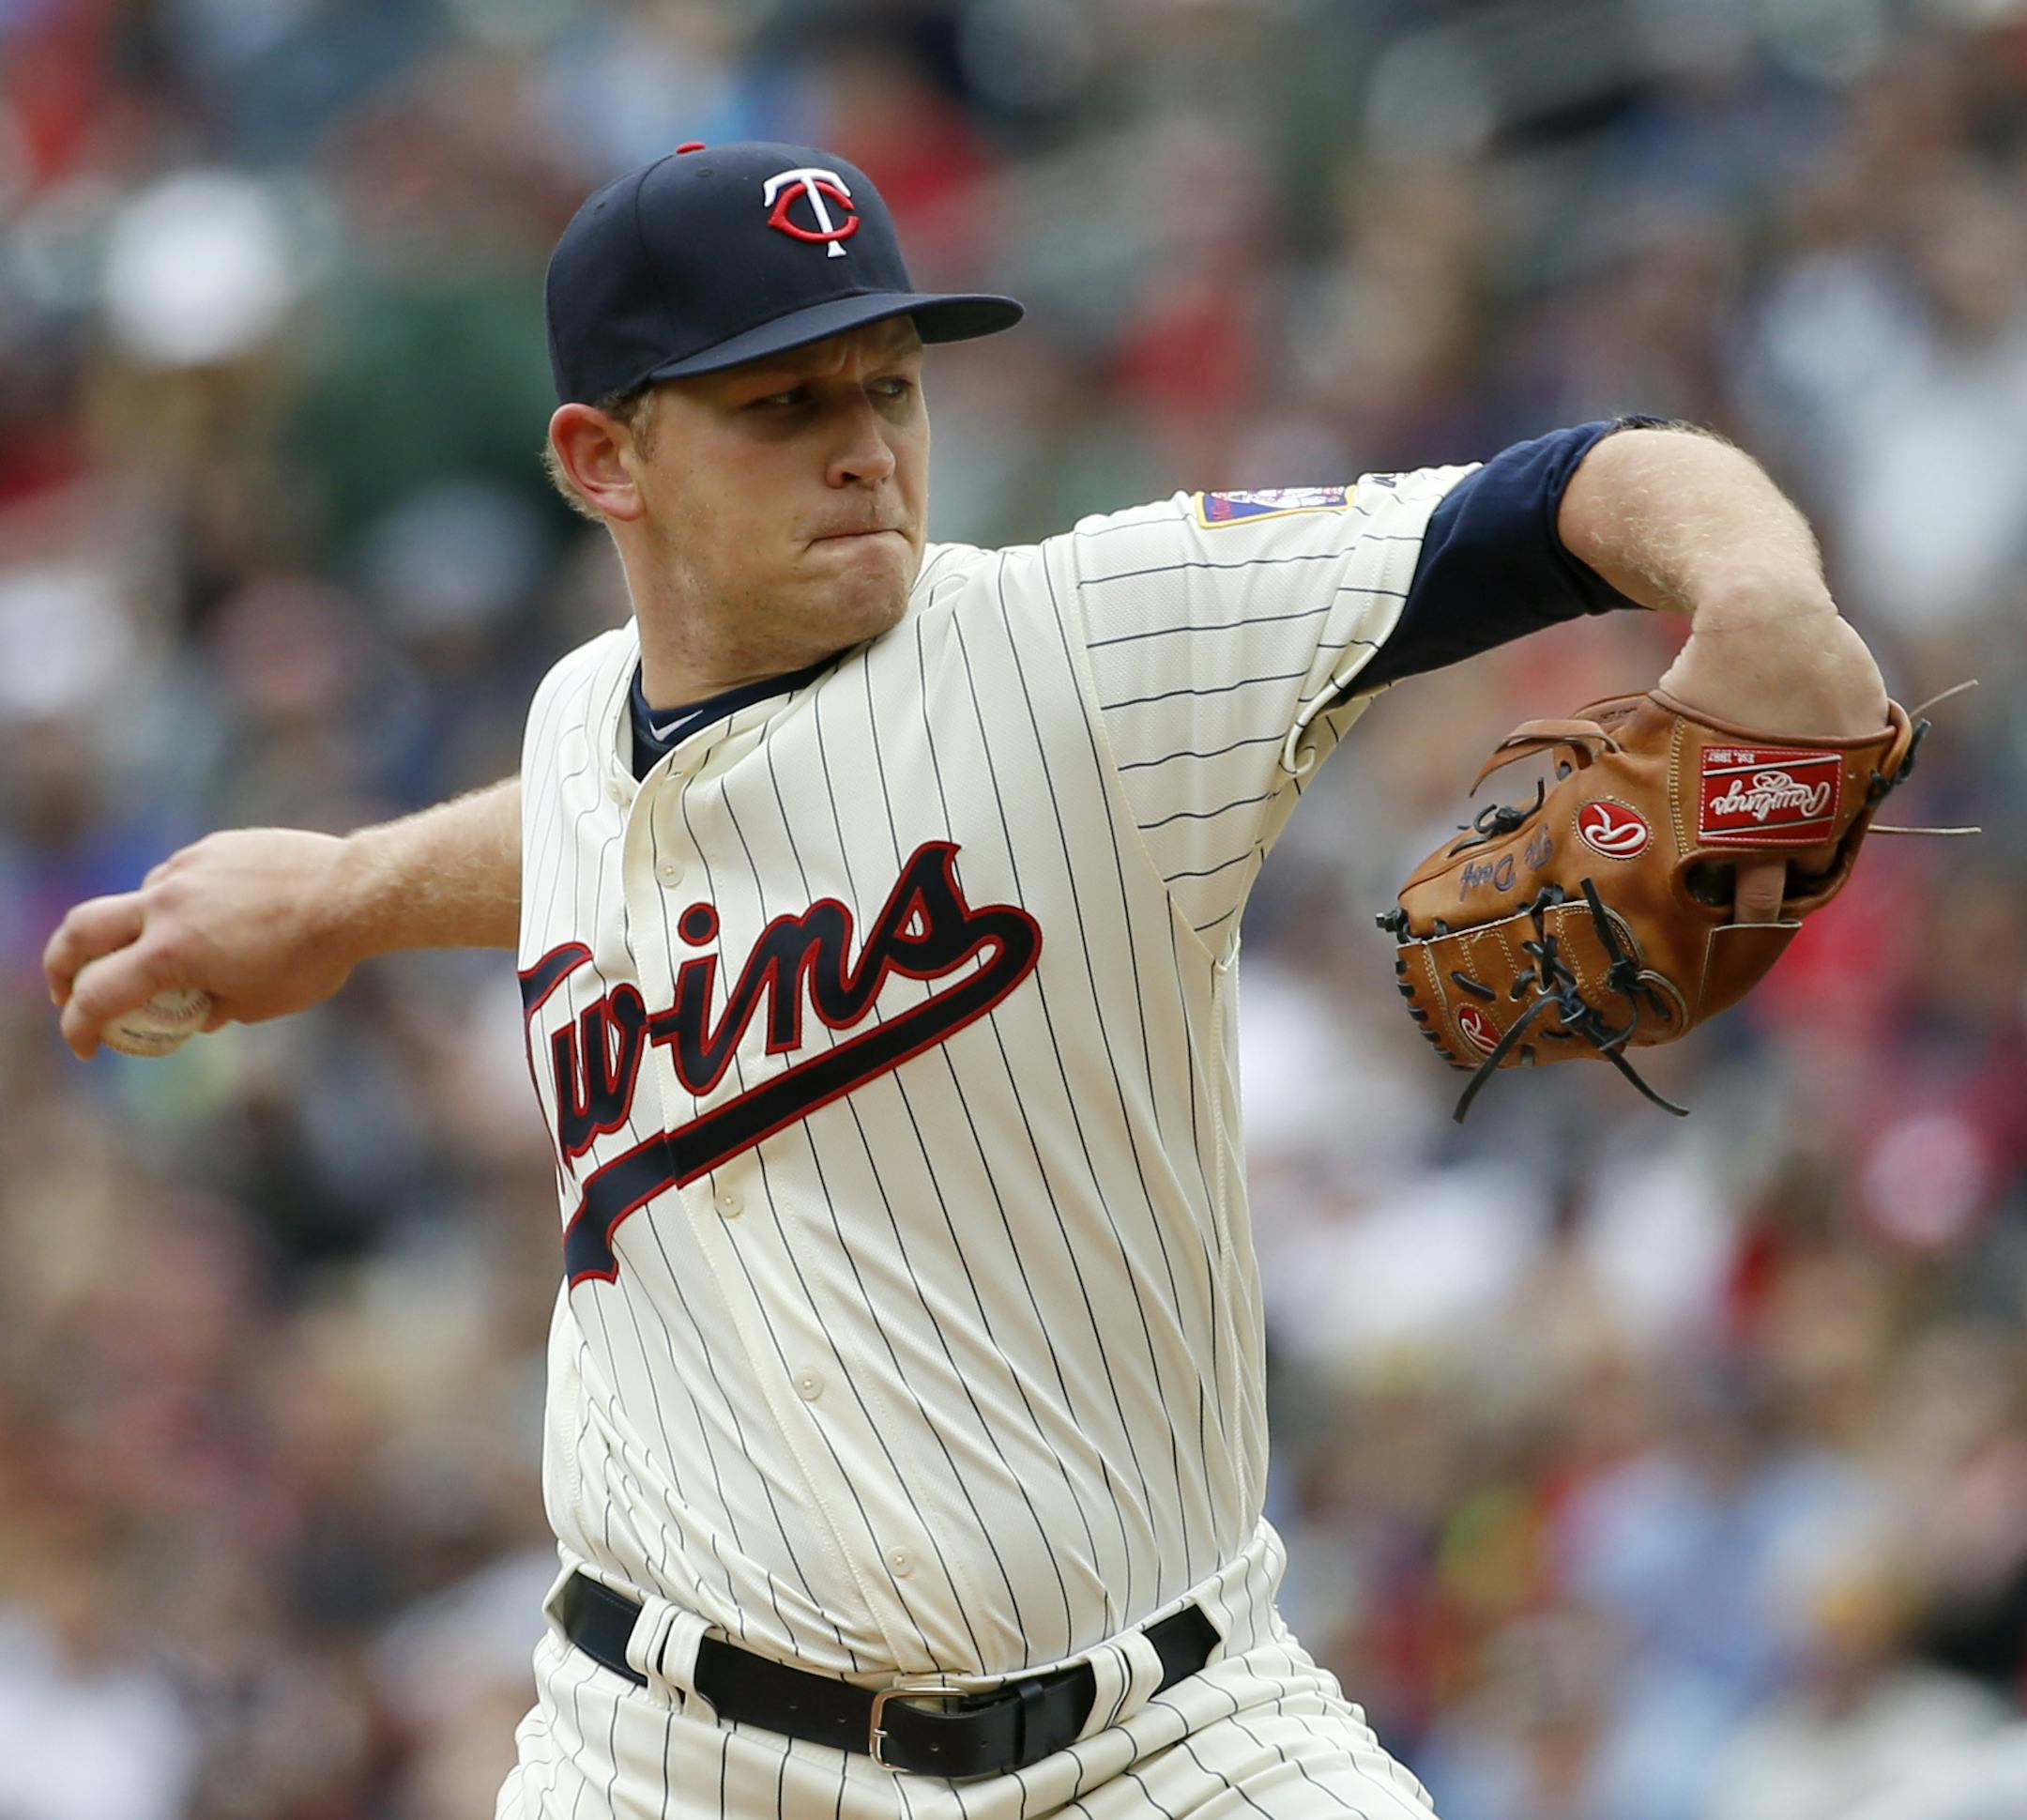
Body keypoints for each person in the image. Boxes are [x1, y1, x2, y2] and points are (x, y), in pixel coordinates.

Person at [44, 143, 1890, 1818]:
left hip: (1168, 1736)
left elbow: (1590, 485)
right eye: (785, 403)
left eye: (892, 384)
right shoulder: (572, 715)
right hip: (670, 1752)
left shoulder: (1094, 638)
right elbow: (598, 827)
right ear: (603, 460)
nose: (866, 441)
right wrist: (353, 893)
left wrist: (1769, 597)